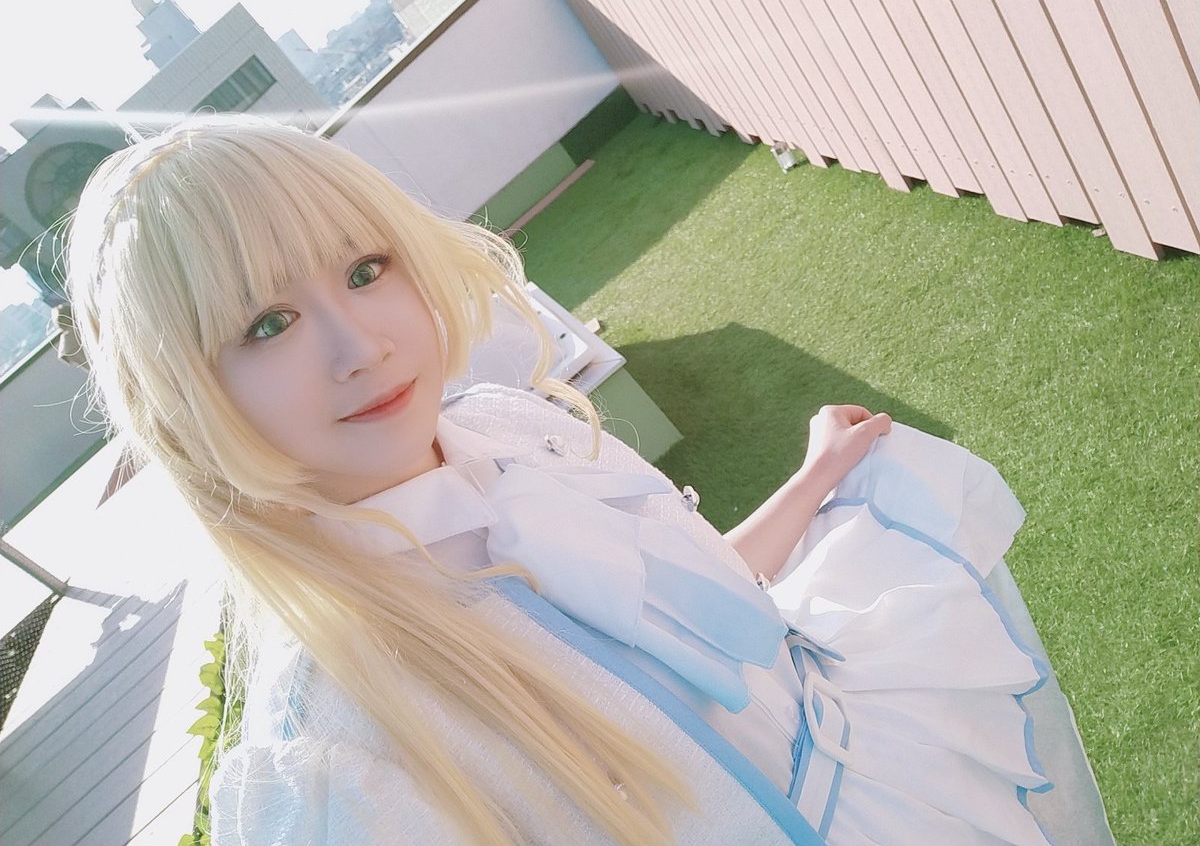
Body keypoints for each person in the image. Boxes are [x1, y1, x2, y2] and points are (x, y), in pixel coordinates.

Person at [68, 116, 1051, 844]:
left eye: (365, 269)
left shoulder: (512, 427)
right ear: (184, 395)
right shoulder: (336, 746)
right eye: (266, 324)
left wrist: (814, 478)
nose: (359, 345)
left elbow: (696, 614)